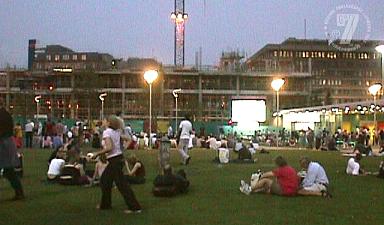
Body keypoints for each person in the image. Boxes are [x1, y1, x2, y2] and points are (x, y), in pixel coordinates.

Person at [91, 115, 141, 214]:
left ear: (109, 123)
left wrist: (96, 153)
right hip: (118, 159)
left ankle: (134, 207)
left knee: (121, 185)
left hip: (114, 160)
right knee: (105, 181)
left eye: (104, 120)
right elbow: (129, 139)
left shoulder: (107, 132)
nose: (103, 121)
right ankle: (106, 204)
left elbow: (109, 147)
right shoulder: (116, 132)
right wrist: (123, 149)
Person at [0, 98, 25, 200]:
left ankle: (19, 193)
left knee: (9, 171)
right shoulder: (6, 114)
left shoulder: (2, 115)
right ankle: (19, 192)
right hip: (7, 143)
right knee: (9, 171)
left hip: (3, 143)